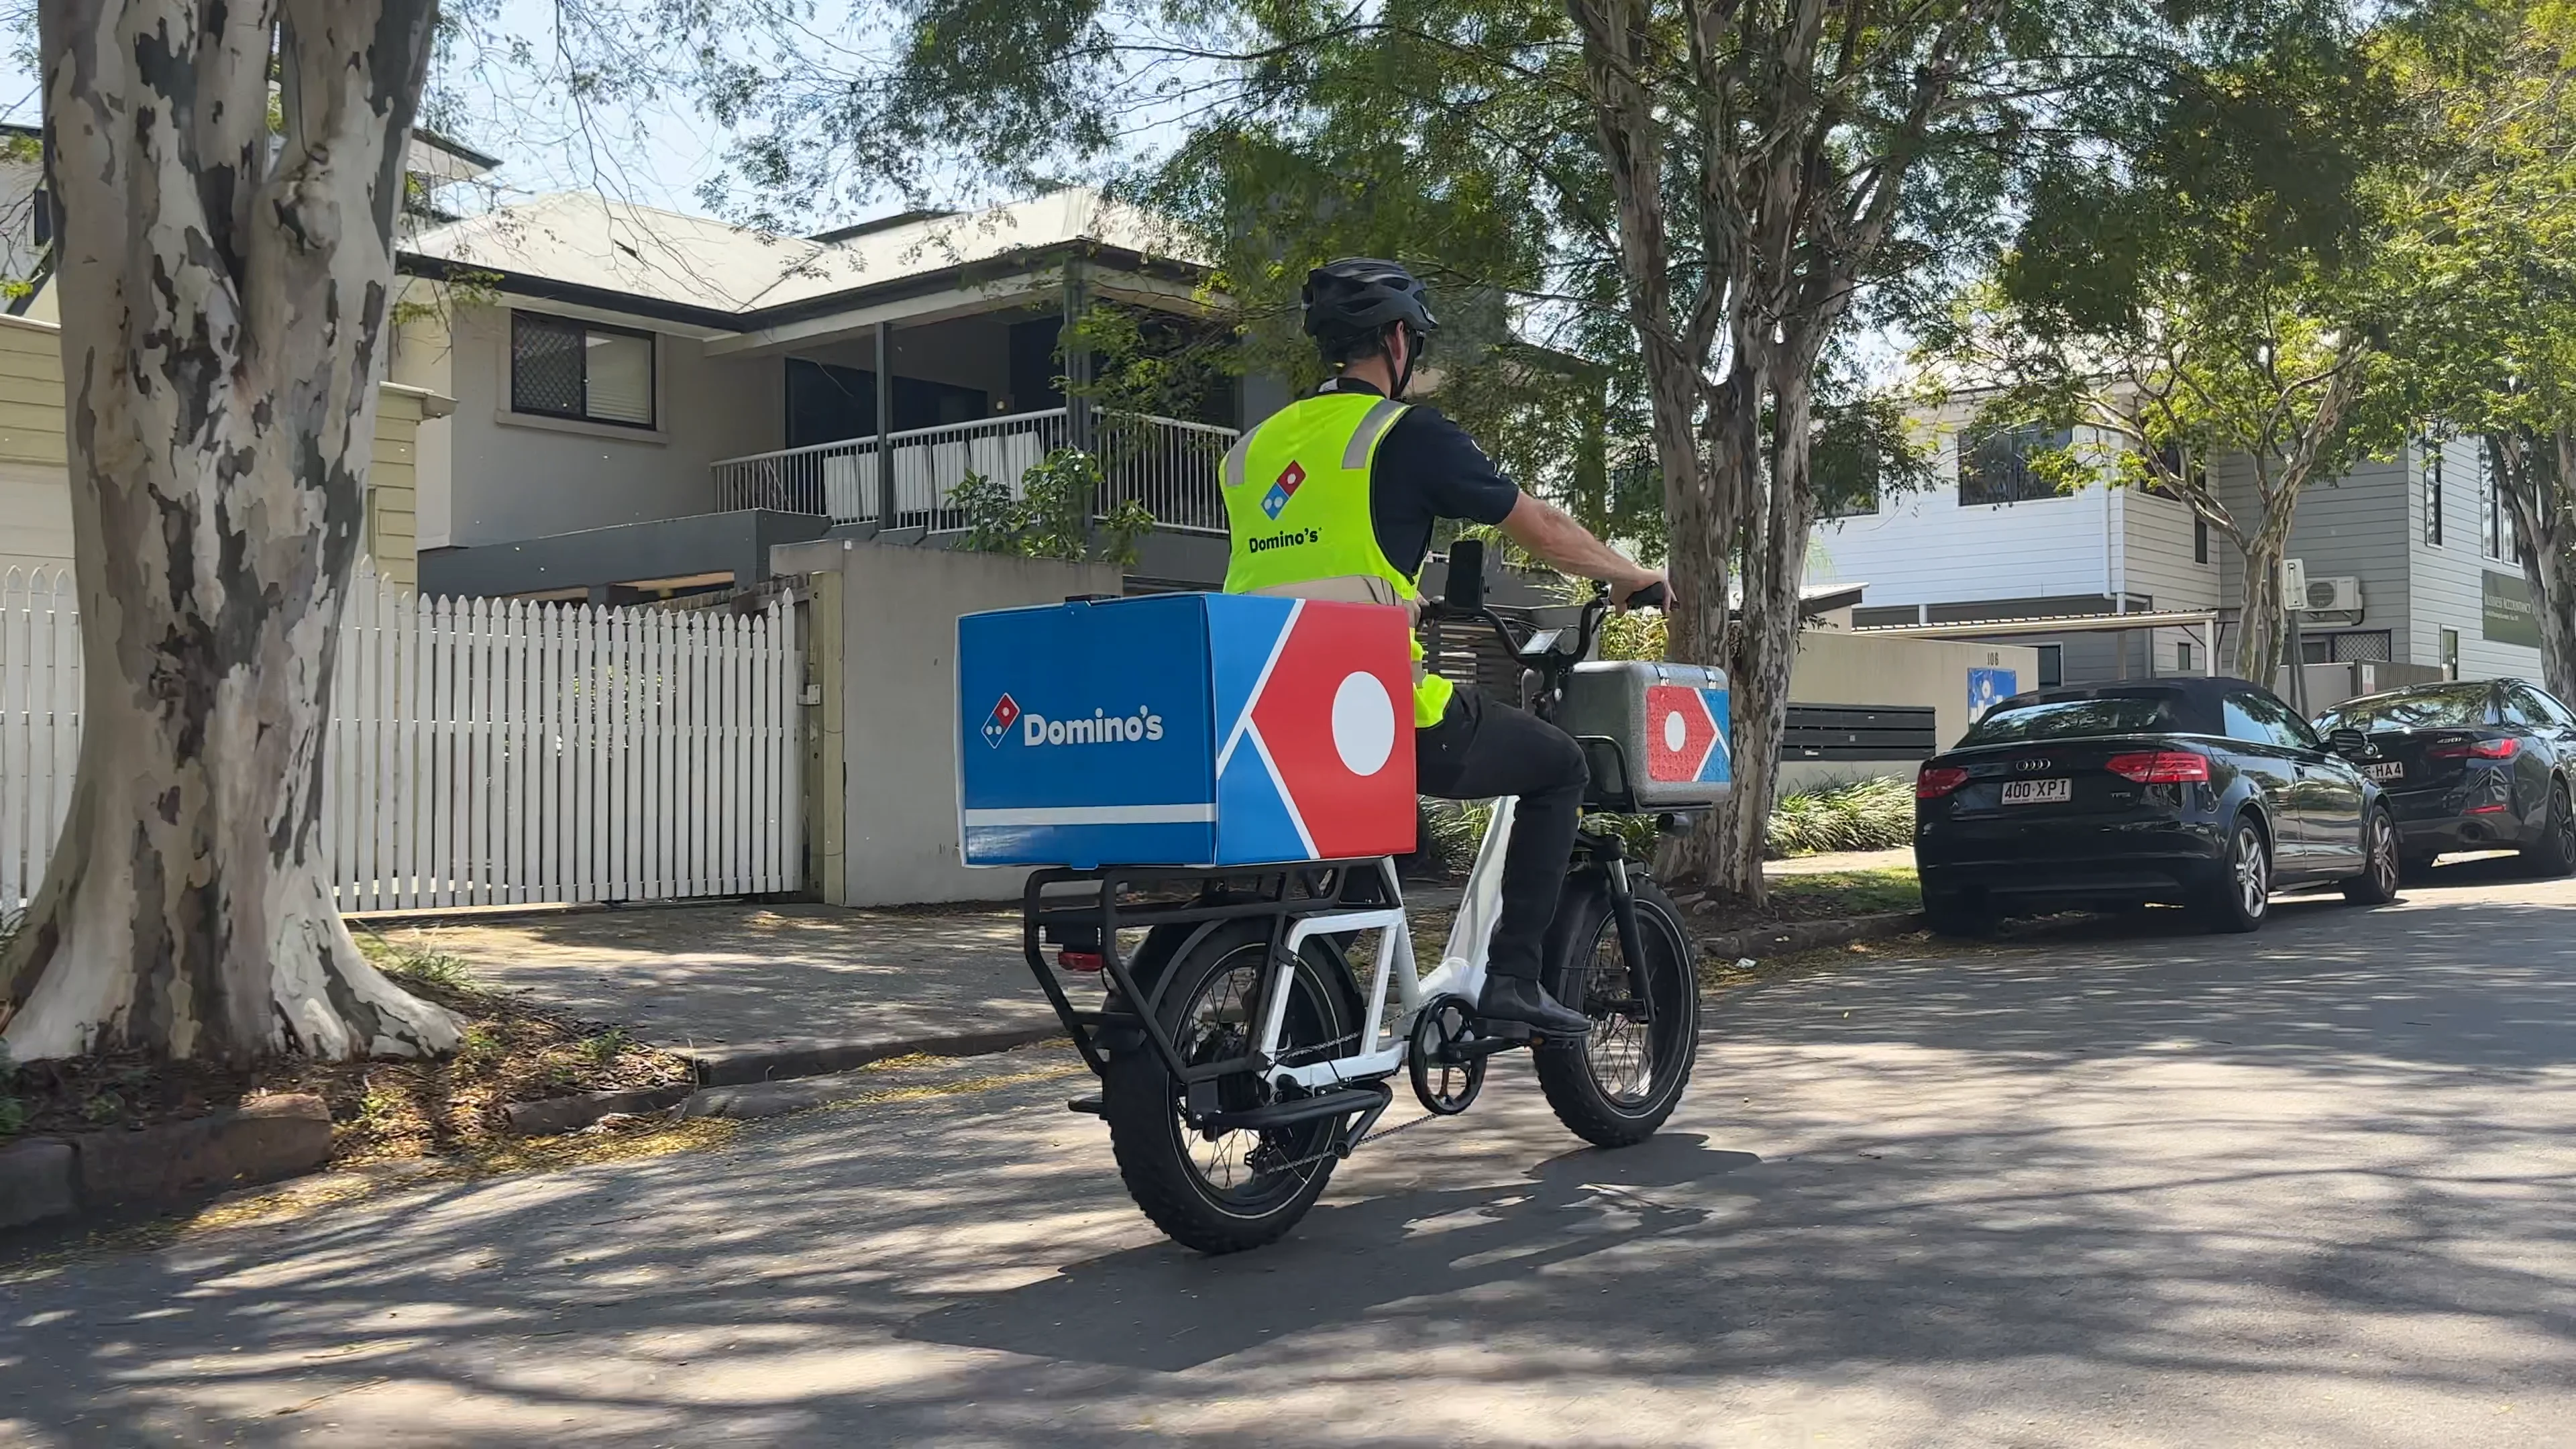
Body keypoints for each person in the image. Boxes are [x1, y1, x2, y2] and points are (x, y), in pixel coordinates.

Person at [1219, 258, 1666, 1039]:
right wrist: (1628, 574)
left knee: (1355, 860)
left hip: (1259, 708)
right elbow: (1539, 527)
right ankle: (1516, 980)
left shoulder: (1251, 453)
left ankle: (1305, 1018)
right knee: (1559, 766)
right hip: (1372, 707)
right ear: (1399, 340)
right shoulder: (1404, 433)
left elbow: (1302, 569)